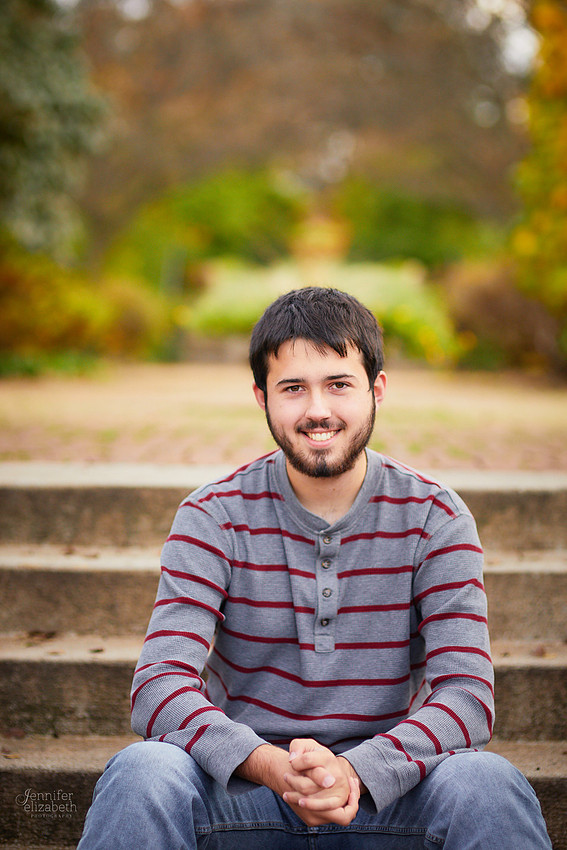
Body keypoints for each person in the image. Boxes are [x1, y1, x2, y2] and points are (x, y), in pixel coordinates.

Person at [78, 287, 551, 849]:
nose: (317, 410)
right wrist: (271, 765)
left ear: (377, 389)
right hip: (244, 796)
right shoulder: (213, 516)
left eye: (339, 384)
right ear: (262, 397)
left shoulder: (435, 517)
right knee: (142, 772)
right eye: (293, 388)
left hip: (388, 799)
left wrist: (357, 771)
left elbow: (466, 697)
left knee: (487, 782)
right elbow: (160, 686)